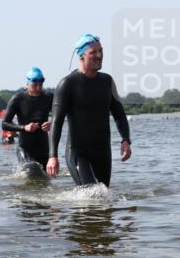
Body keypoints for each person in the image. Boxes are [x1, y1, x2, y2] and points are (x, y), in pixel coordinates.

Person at [47, 34, 131, 186]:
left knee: (103, 195)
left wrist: (125, 139)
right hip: (78, 152)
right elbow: (56, 122)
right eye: (93, 52)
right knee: (92, 192)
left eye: (101, 51)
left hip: (103, 152)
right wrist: (53, 156)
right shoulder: (67, 84)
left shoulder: (107, 81)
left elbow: (119, 114)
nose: (99, 55)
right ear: (81, 56)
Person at [2, 67, 53, 167]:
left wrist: (52, 124)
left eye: (41, 82)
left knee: (46, 175)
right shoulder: (18, 99)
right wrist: (24, 127)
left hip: (44, 148)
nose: (38, 86)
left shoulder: (49, 97)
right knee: (31, 168)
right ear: (27, 83)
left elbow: (60, 116)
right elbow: (4, 124)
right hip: (25, 148)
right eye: (35, 83)